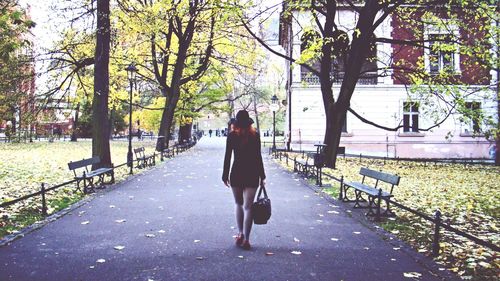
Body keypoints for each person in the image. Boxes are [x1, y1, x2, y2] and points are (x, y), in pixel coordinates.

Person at [222, 110, 266, 250]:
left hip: (237, 172)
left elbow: (228, 156)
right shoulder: (255, 136)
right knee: (248, 207)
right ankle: (247, 239)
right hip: (252, 173)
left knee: (238, 204)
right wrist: (262, 176)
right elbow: (258, 157)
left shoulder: (232, 136)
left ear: (236, 124)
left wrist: (225, 175)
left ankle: (240, 233)